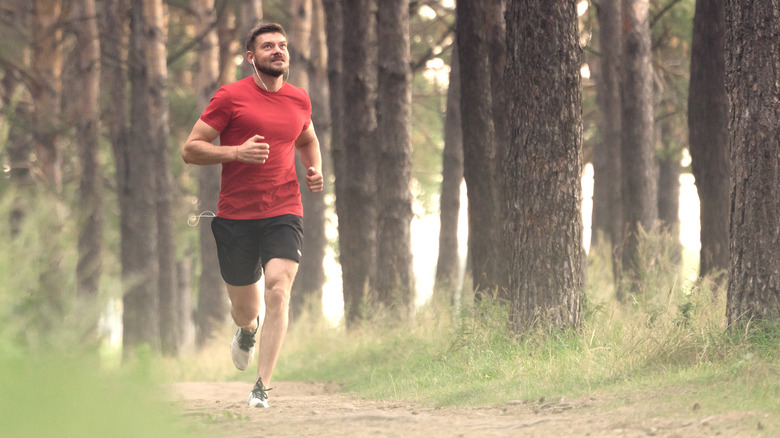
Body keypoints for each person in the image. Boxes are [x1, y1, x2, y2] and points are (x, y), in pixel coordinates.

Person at [182, 22, 323, 408]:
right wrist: (235, 152)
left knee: (279, 287)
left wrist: (314, 169)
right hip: (235, 216)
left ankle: (261, 387)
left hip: (284, 208)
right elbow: (191, 149)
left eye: (282, 45)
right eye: (267, 47)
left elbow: (307, 139)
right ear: (251, 58)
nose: (278, 51)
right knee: (247, 310)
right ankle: (247, 331)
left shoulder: (299, 100)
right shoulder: (231, 97)